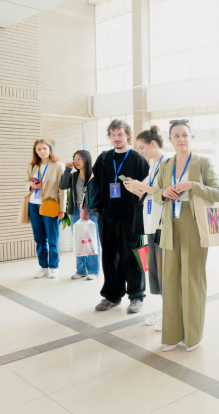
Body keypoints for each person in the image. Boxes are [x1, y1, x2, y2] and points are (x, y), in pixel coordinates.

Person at [153, 119, 219, 352]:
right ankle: (172, 335)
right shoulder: (166, 164)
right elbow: (156, 194)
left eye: (185, 135)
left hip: (194, 224)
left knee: (192, 280)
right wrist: (164, 191)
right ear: (170, 139)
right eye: (176, 136)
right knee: (170, 280)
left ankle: (193, 336)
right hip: (170, 225)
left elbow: (218, 193)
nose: (181, 139)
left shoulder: (203, 162)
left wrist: (193, 185)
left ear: (190, 137)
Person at [92, 119, 150, 314]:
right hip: (107, 215)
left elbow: (146, 188)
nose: (116, 138)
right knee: (109, 256)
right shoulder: (103, 158)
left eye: (120, 134)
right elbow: (93, 182)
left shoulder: (137, 159)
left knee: (132, 256)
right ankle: (112, 295)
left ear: (128, 135)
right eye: (113, 135)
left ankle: (136, 296)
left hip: (130, 216)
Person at [122, 126, 166, 330]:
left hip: (163, 224)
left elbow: (163, 192)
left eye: (142, 147)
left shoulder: (166, 163)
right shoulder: (153, 165)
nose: (141, 152)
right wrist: (135, 188)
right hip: (151, 222)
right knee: (155, 270)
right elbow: (148, 194)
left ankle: (170, 313)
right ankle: (165, 310)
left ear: (153, 144)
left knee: (164, 270)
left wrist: (141, 186)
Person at [26, 139, 66, 279]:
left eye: (45, 148)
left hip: (50, 204)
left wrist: (62, 209)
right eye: (39, 149)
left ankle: (54, 267)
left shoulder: (58, 165)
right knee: (39, 238)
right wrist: (31, 186)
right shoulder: (32, 166)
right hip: (33, 204)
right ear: (35, 151)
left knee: (52, 238)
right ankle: (43, 267)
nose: (42, 151)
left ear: (50, 149)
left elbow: (63, 189)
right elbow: (26, 182)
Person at [60, 150, 100, 280]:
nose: (76, 161)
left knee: (92, 240)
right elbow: (62, 186)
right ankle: (81, 269)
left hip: (92, 211)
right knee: (79, 239)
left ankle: (93, 270)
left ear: (87, 159)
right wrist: (67, 170)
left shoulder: (95, 175)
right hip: (76, 211)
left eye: (79, 159)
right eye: (74, 159)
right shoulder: (73, 176)